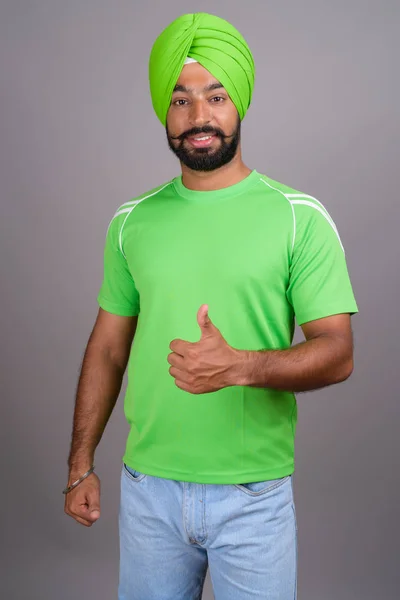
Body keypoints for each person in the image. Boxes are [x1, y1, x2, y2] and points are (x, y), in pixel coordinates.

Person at [64, 12, 358, 600]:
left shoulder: (299, 217)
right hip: (148, 491)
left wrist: (239, 366)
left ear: (238, 103)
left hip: (253, 497)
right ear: (164, 111)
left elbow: (337, 354)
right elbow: (107, 347)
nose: (199, 117)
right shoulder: (131, 222)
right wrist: (80, 465)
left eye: (216, 96)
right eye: (181, 100)